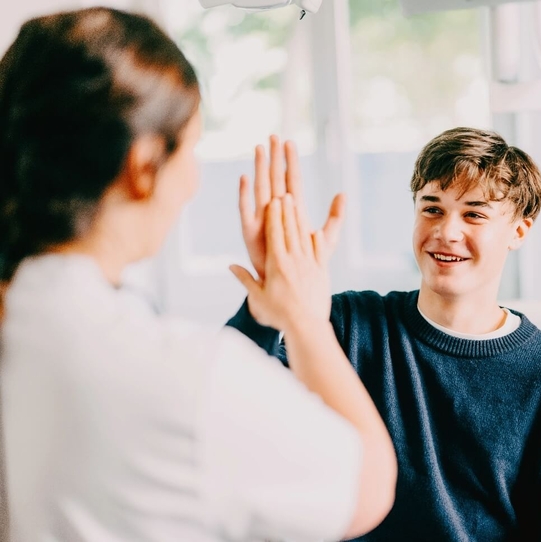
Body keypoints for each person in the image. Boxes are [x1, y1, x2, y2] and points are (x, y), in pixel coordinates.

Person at [0, 7, 396, 541]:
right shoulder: (187, 378)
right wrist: (304, 319)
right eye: (193, 149)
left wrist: (264, 313)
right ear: (143, 166)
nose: (192, 181)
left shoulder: (25, 319)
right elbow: (368, 486)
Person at [228, 127, 541, 541]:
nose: (447, 231)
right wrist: (267, 310)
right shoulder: (341, 324)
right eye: (432, 209)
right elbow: (224, 405)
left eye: (474, 214)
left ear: (519, 231)